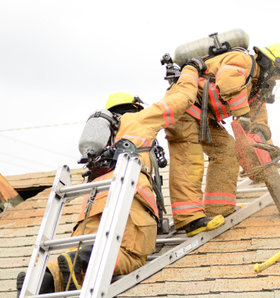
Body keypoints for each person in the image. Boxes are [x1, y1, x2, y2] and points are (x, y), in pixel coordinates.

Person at [17, 60, 225, 295]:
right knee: (130, 256)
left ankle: (38, 282)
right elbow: (178, 101)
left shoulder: (104, 137)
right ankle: (80, 259)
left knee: (82, 267)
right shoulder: (137, 120)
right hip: (128, 200)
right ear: (134, 107)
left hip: (91, 206)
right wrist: (190, 71)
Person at [165, 44, 280, 233]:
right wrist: (242, 113)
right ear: (269, 65)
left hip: (204, 118)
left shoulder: (256, 86)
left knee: (227, 151)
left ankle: (220, 210)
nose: (275, 80)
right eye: (277, 75)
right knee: (189, 159)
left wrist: (269, 157)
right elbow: (227, 79)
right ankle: (189, 219)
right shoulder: (242, 61)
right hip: (183, 108)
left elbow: (258, 123)